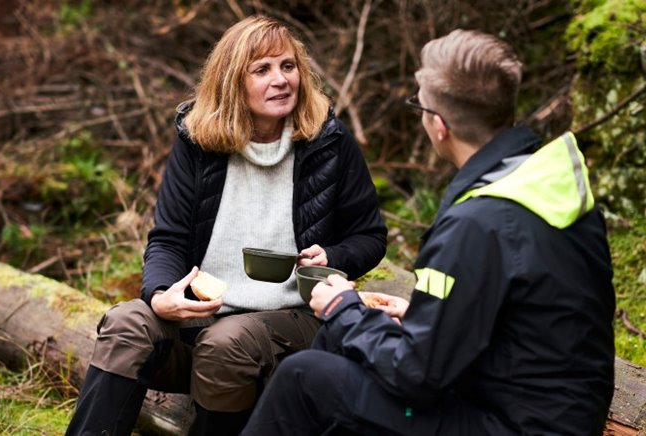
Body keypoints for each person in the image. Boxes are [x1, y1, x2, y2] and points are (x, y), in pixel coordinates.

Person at [241, 29, 616, 435]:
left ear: (439, 126)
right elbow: (526, 314)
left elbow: (416, 376)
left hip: (512, 424)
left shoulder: (477, 222)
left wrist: (343, 307)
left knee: (304, 375)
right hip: (550, 409)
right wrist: (424, 316)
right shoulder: (546, 184)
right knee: (338, 344)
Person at [65, 16, 387, 436]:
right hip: (201, 315)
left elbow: (371, 236)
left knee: (226, 343)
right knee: (128, 323)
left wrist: (334, 256)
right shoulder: (198, 141)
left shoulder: (328, 140)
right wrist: (161, 294)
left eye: (288, 66)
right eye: (262, 70)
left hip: (293, 320)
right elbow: (168, 239)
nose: (280, 80)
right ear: (233, 82)